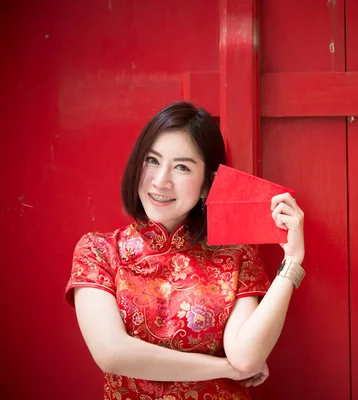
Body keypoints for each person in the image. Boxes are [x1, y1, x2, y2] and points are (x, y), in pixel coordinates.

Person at [65, 101, 306, 400]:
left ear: (208, 184)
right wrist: (223, 369)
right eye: (152, 160)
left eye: (181, 167)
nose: (160, 180)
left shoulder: (234, 255)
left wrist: (292, 262)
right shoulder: (99, 251)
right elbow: (112, 352)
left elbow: (246, 358)